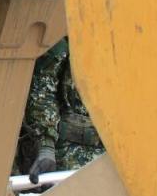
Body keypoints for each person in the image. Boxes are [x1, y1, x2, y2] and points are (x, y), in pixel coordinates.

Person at [15, 36, 106, 184]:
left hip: (122, 158)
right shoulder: (70, 37)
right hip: (72, 154)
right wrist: (46, 145)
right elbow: (43, 89)